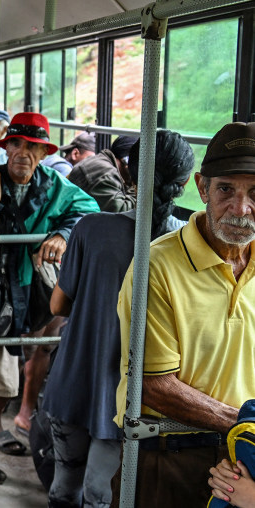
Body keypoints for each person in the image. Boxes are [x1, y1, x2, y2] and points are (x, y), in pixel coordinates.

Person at [0, 112, 99, 478]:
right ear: (5, 147)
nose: (23, 153)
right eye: (16, 143)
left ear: (43, 153)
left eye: (33, 146)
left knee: (4, 386)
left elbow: (88, 212)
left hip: (18, 299)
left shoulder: (56, 188)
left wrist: (63, 233)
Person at [43, 130, 194, 508]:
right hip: (130, 394)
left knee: (64, 488)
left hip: (74, 378)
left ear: (128, 172)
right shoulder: (183, 246)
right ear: (188, 184)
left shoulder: (91, 229)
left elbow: (58, 306)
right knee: (100, 494)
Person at [114, 122, 255, 506]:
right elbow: (155, 383)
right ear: (202, 187)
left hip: (246, 459)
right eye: (226, 189)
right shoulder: (157, 265)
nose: (241, 210)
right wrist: (244, 425)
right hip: (171, 455)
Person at [68, 135, 138, 212]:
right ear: (126, 161)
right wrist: (137, 184)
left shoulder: (103, 163)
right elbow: (119, 212)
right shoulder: (106, 172)